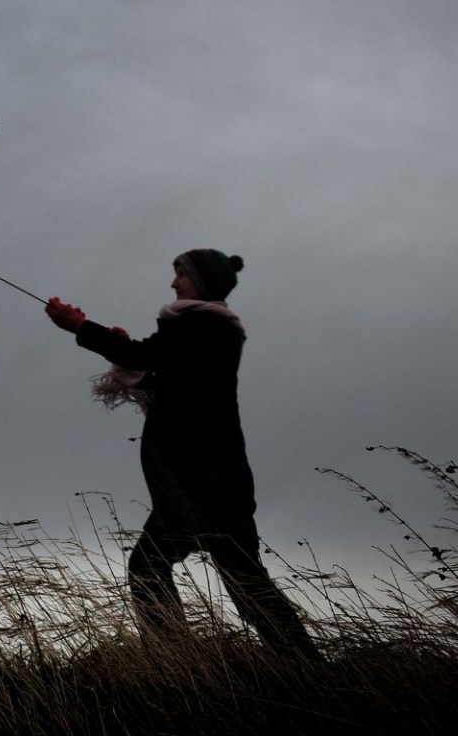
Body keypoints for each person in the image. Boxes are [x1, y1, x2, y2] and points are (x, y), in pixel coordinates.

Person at [44, 249, 319, 659]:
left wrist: (81, 327)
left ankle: (176, 660)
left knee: (152, 568)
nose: (174, 283)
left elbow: (147, 361)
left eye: (180, 276)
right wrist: (113, 345)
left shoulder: (201, 324)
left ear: (201, 283)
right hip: (215, 477)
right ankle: (306, 667)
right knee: (244, 581)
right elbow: (165, 377)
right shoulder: (206, 328)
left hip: (198, 478)